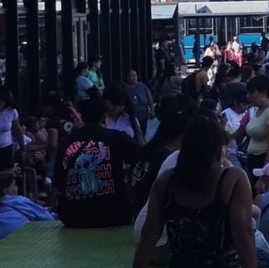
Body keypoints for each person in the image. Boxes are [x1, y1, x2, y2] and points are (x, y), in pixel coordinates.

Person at [100, 116, 269, 268]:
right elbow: (243, 233)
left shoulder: (165, 181)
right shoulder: (233, 178)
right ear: (217, 150)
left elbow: (150, 234)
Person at [54, 98, 140, 228]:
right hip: (114, 213)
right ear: (105, 118)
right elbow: (142, 158)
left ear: (81, 118)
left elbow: (57, 182)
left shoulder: (67, 142)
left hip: (73, 216)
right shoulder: (117, 138)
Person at [129, 106, 189, 217]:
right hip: (151, 209)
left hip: (137, 205)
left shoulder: (148, 149)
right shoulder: (168, 158)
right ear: (182, 135)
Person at [238, 76, 269, 185]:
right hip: (254, 160)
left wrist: (265, 175)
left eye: (251, 93)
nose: (248, 96)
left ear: (263, 93)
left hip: (266, 161)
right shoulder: (255, 110)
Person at [0, 171, 54, 240]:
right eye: (14, 185)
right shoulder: (19, 200)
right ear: (5, 190)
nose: (17, 188)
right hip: (27, 241)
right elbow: (48, 219)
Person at [0, 88, 25, 171]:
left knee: (7, 175)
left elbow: (18, 131)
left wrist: (23, 148)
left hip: (6, 148)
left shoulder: (11, 112)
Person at [125, 70, 155, 139]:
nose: (134, 77)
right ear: (127, 78)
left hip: (143, 113)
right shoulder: (125, 88)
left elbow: (150, 98)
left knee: (143, 130)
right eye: (132, 76)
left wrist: (152, 111)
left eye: (135, 75)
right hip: (131, 114)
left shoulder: (142, 86)